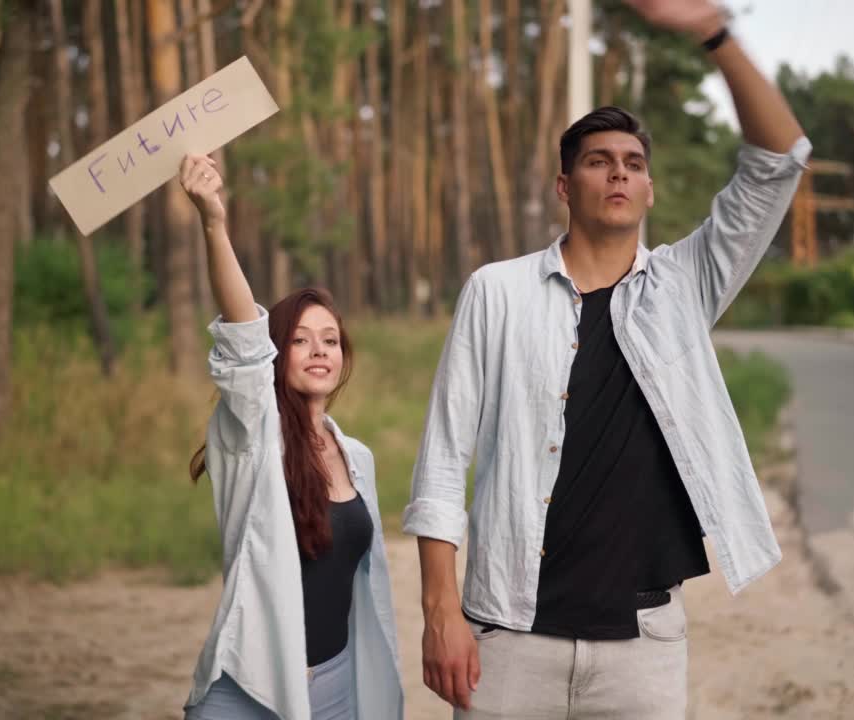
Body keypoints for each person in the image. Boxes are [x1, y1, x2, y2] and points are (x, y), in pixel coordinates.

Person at [403, 1, 811, 717]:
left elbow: (779, 162)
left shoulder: (685, 287)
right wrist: (441, 613)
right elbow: (442, 460)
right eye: (598, 162)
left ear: (649, 189)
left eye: (633, 164)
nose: (618, 174)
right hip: (509, 634)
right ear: (566, 186)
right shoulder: (495, 292)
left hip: (644, 644)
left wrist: (714, 32)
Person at [177, 154, 402, 720]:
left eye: (330, 339)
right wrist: (213, 221)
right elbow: (245, 342)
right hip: (250, 691)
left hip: (335, 686)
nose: (320, 350)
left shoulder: (358, 458)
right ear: (278, 353)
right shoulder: (253, 434)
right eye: (301, 340)